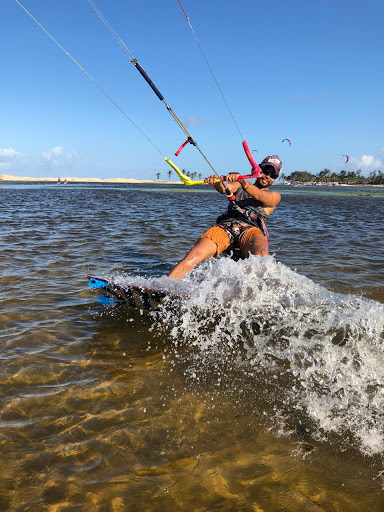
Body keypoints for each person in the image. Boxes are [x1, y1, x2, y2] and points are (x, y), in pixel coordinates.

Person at [168, 155, 282, 279]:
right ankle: (166, 284)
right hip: (226, 227)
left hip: (250, 231)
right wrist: (216, 183)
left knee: (262, 255)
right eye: (266, 171)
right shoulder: (238, 185)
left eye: (273, 175)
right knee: (196, 253)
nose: (268, 177)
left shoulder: (274, 195)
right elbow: (224, 188)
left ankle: (264, 292)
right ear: (258, 169)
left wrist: (243, 182)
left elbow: (260, 196)